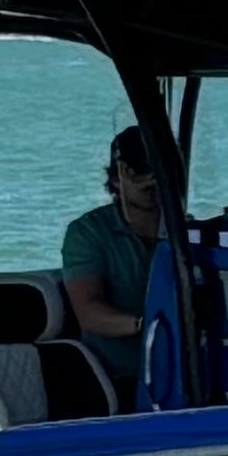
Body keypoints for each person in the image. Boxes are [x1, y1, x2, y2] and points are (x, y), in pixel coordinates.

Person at [60, 123, 169, 401]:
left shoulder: (186, 233)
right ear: (117, 177)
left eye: (157, 168)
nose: (148, 181)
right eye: (137, 170)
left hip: (181, 370)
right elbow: (89, 312)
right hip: (115, 377)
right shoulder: (88, 233)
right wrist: (151, 326)